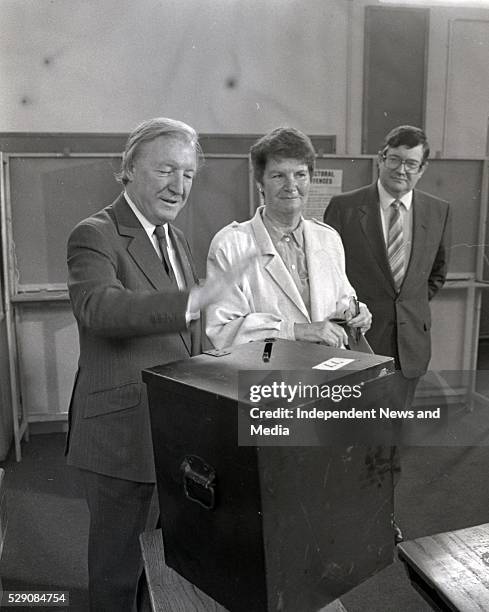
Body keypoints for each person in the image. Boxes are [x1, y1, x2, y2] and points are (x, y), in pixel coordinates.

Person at [66, 117, 211, 611]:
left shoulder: (177, 239)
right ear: (127, 170)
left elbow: (186, 340)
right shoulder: (95, 234)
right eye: (166, 169)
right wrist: (186, 304)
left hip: (172, 432)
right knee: (116, 578)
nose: (179, 186)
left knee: (160, 571)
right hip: (121, 436)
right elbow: (100, 310)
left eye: (189, 174)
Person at [205, 126, 371, 350]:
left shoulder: (328, 238)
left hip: (327, 374)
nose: (291, 185)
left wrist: (356, 313)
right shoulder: (230, 245)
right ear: (260, 184)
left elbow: (342, 302)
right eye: (278, 175)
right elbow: (222, 329)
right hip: (265, 379)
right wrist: (295, 331)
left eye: (300, 174)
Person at [324, 125, 451, 411]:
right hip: (360, 341)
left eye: (411, 163)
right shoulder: (344, 207)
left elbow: (436, 275)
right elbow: (328, 276)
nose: (401, 169)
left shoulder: (438, 211)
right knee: (353, 427)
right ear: (381, 158)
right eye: (394, 159)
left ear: (422, 168)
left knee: (396, 428)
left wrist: (406, 307)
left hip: (411, 344)